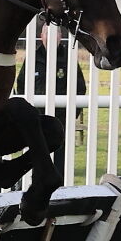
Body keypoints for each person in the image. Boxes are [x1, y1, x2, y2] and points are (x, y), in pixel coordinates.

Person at [15, 22, 87, 179]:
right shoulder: (32, 59)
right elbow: (20, 87)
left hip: (59, 124)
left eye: (56, 34)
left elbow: (80, 89)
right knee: (31, 162)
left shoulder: (68, 59)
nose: (52, 37)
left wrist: (68, 117)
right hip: (35, 123)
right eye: (48, 33)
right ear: (42, 36)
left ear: (61, 37)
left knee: (58, 165)